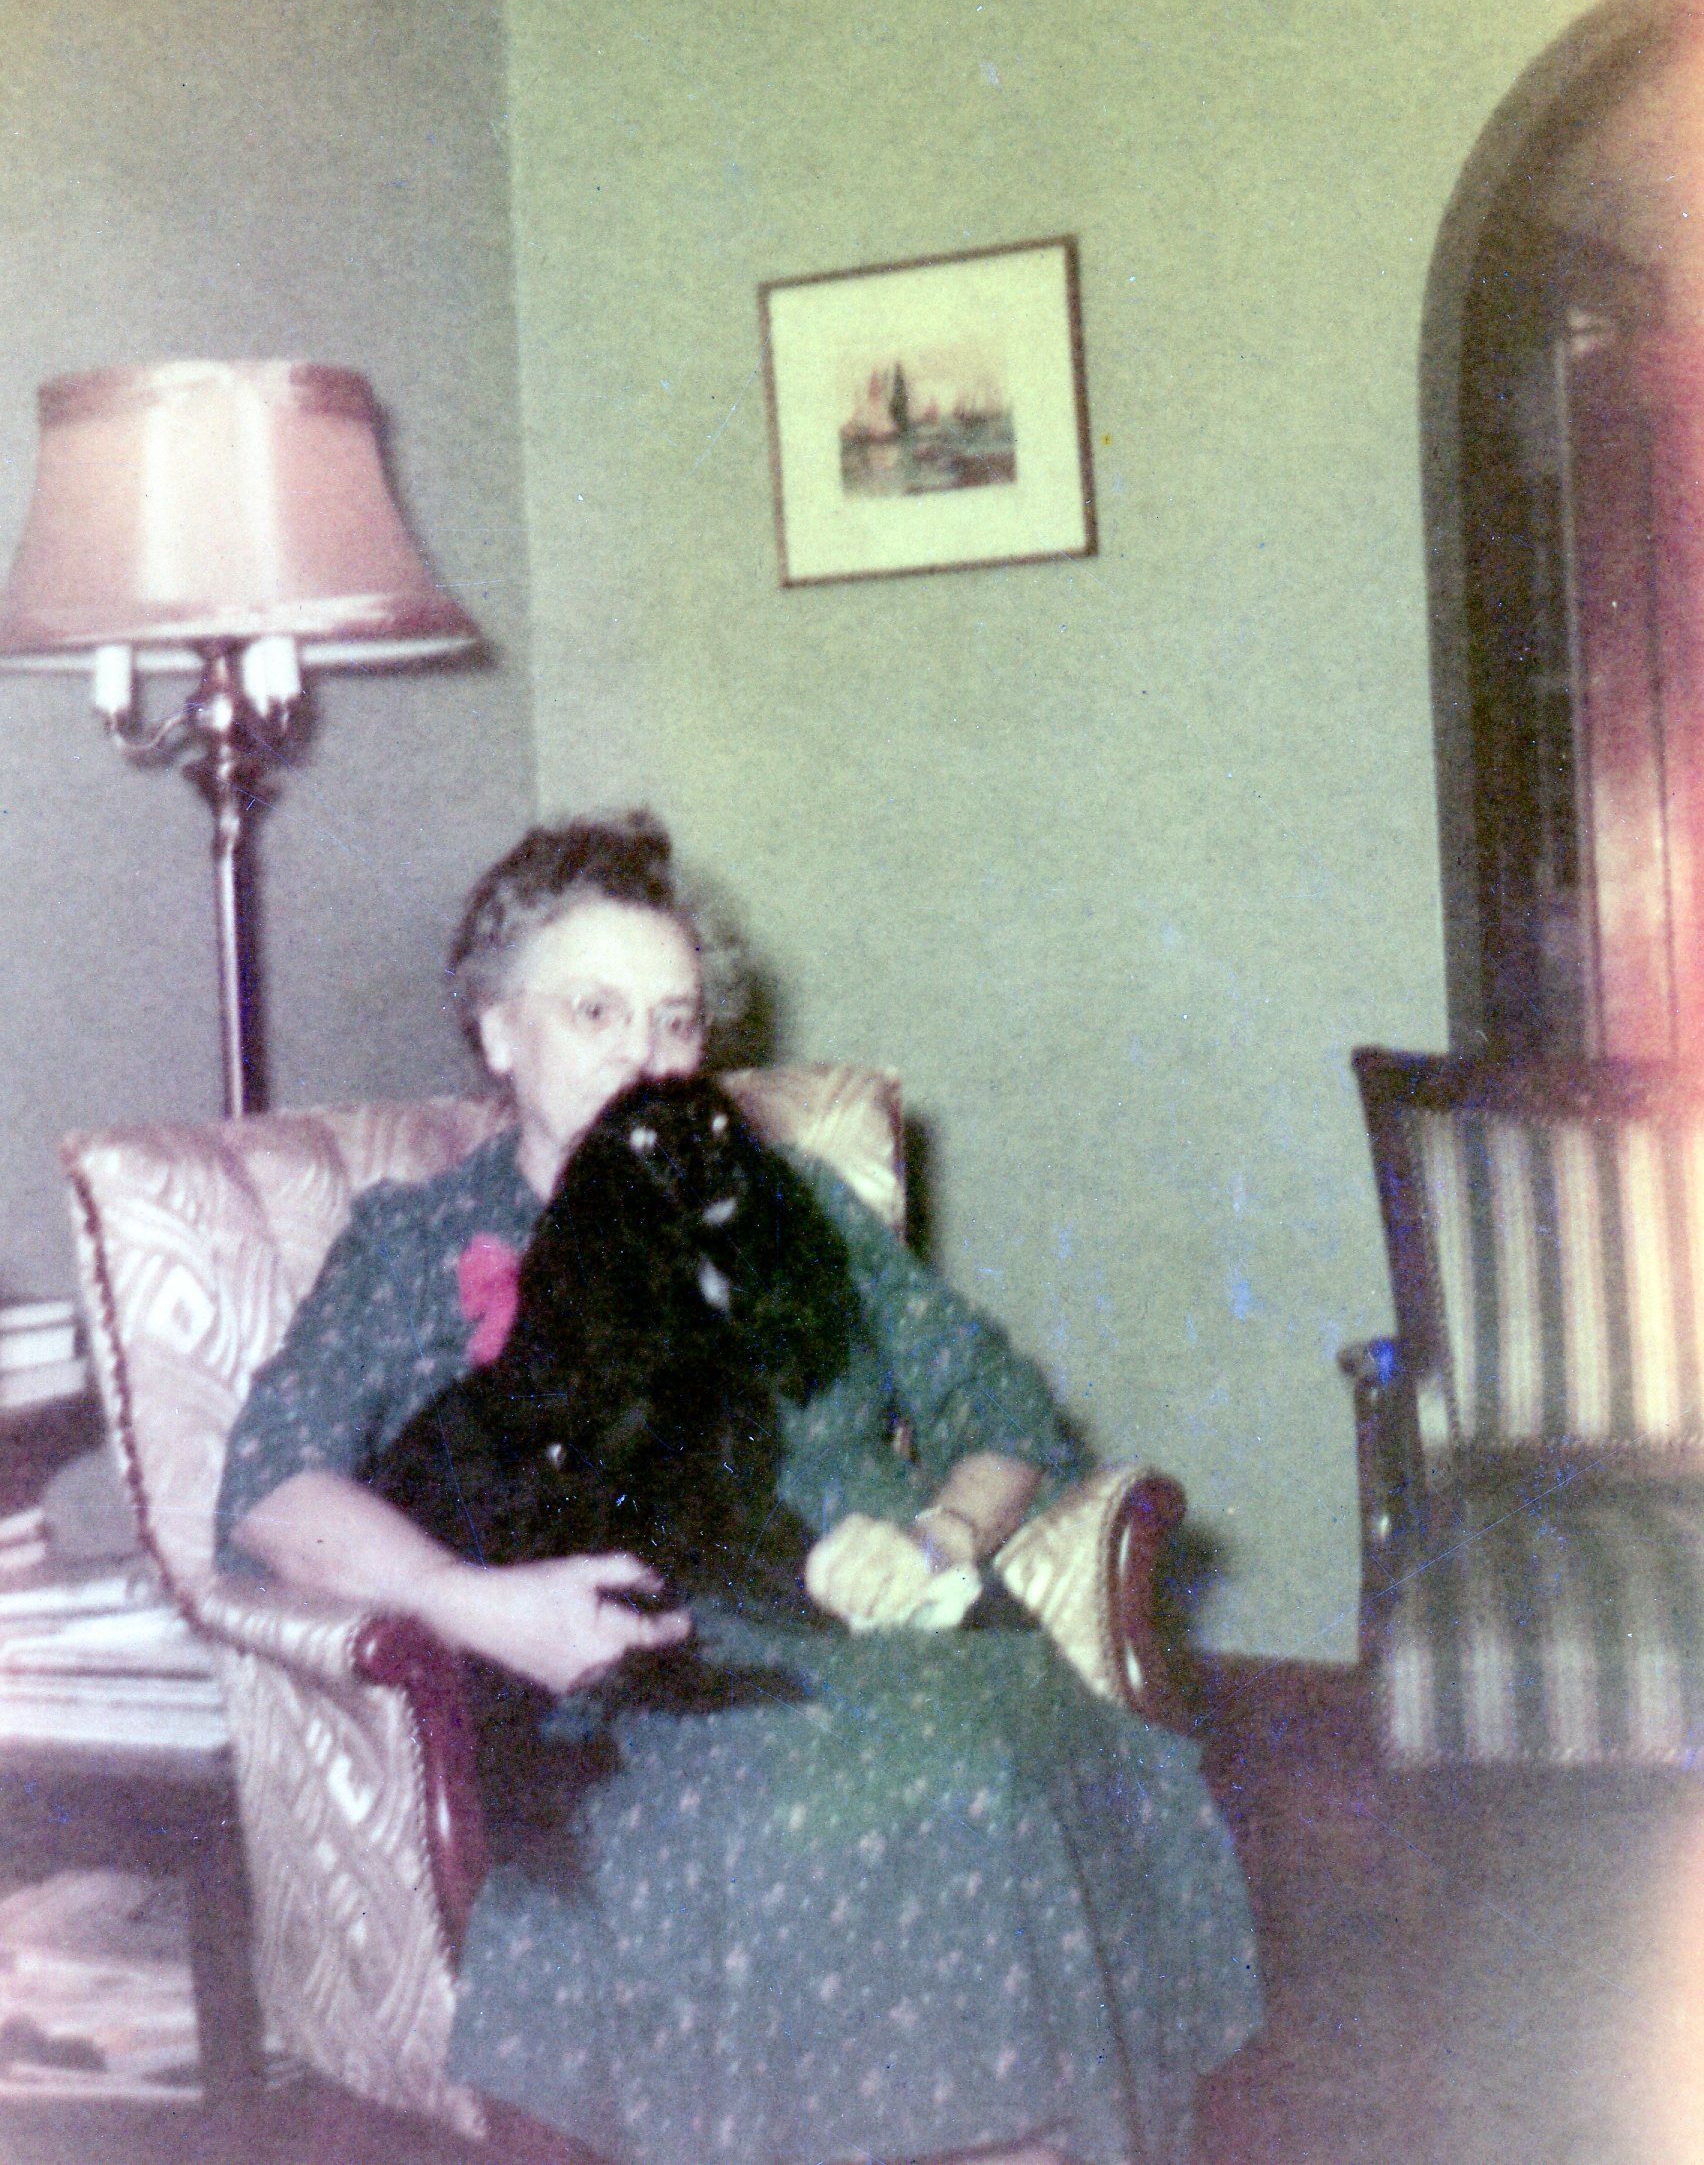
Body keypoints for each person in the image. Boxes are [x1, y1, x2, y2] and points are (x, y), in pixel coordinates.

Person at [215, 813, 1260, 2165]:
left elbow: (1003, 1413)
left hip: (886, 1641)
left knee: (996, 1749)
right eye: (595, 1013)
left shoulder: (791, 1201)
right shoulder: (414, 1245)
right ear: (496, 1031)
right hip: (632, 1691)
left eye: (676, 1022)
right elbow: (269, 1486)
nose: (647, 1059)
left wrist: (938, 1538)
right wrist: (472, 1604)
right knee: (805, 1807)